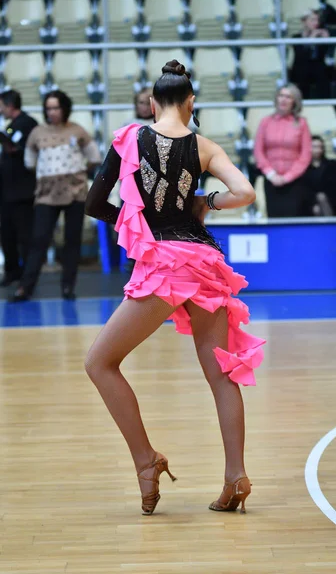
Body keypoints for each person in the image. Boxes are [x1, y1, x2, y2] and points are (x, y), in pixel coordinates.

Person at [84, 60, 265, 516]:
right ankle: (235, 477)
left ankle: (146, 462)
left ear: (151, 104)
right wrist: (206, 201)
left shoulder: (129, 139)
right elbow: (245, 193)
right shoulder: (204, 146)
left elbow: (95, 203)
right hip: (204, 263)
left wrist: (137, 224)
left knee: (100, 363)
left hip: (162, 263)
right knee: (222, 376)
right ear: (190, 103)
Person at [10, 90, 101, 302]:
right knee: (39, 240)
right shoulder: (37, 133)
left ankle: (68, 287)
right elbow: (29, 162)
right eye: (49, 108)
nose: (52, 112)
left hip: (75, 194)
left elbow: (94, 157)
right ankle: (25, 287)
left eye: (56, 107)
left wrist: (76, 173)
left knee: (72, 240)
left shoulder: (77, 130)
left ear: (65, 108)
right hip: (46, 196)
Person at [254, 84, 312, 218]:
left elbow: (305, 155)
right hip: (271, 180)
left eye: (288, 97)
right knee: (274, 218)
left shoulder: (302, 123)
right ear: (276, 99)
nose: (284, 100)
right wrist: (271, 174)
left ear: (294, 102)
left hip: (295, 182)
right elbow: (258, 151)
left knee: (293, 219)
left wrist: (287, 177)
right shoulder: (265, 122)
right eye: (281, 96)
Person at [0, 90, 38, 286]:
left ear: (9, 104)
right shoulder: (10, 126)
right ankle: (12, 271)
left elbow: (23, 150)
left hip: (22, 191)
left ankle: (28, 275)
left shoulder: (27, 123)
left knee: (24, 235)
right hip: (7, 192)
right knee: (6, 233)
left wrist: (12, 148)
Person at [289, 9, 331, 100]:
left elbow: (323, 56)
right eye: (312, 20)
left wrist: (326, 41)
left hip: (318, 69)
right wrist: (311, 39)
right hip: (302, 70)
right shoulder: (296, 37)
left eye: (317, 20)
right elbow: (300, 56)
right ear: (304, 21)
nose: (316, 23)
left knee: (324, 74)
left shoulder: (320, 36)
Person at [303, 136, 336, 216]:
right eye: (314, 147)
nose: (318, 150)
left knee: (321, 198)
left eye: (320, 147)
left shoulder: (331, 165)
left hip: (332, 202)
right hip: (309, 203)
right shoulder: (303, 168)